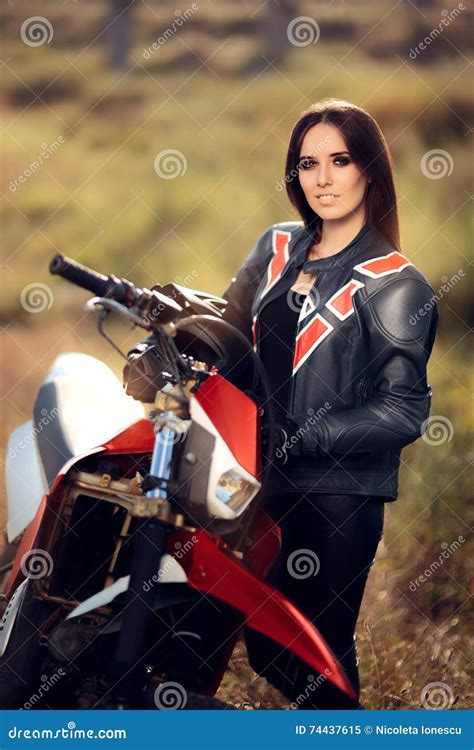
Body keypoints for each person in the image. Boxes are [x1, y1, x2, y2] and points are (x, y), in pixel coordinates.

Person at [221, 98, 438, 709]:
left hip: (340, 497)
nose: (322, 179)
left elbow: (404, 411)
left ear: (369, 169)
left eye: (339, 161)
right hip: (257, 479)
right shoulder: (275, 248)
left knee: (316, 653)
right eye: (308, 163)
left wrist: (300, 434)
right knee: (267, 644)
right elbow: (228, 333)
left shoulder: (398, 284)